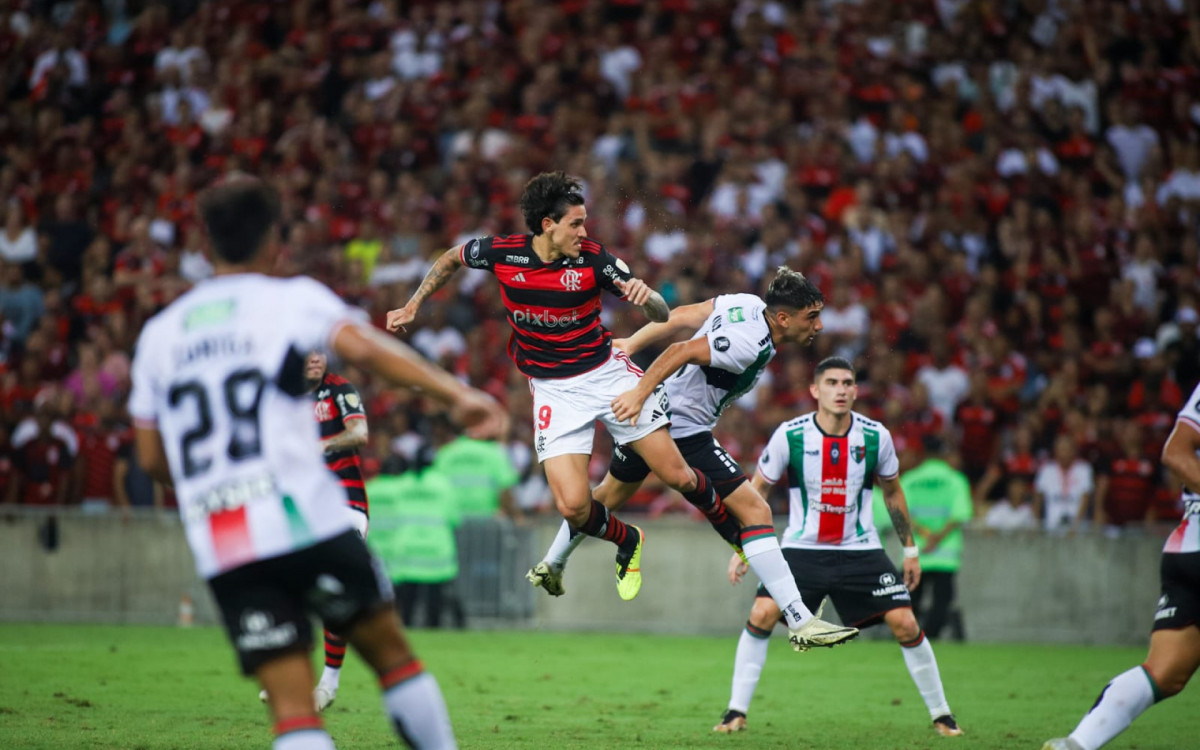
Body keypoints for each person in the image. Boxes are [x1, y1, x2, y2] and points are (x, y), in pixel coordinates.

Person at [130, 178, 507, 750]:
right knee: (392, 658)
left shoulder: (161, 335)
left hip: (228, 536)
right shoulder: (292, 300)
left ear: (208, 244)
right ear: (273, 240)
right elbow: (364, 346)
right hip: (303, 513)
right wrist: (456, 395)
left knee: (290, 708)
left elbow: (154, 459)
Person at [387, 172, 731, 604]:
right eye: (575, 223)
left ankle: (734, 532)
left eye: (585, 222)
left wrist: (648, 298)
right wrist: (414, 303)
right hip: (554, 390)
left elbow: (661, 316)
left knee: (677, 476)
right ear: (548, 224)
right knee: (572, 507)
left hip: (606, 374)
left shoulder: (593, 259)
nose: (584, 232)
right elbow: (451, 258)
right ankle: (628, 540)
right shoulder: (503, 252)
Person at [529, 268, 861, 651]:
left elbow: (684, 314)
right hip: (683, 427)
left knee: (603, 501)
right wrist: (638, 393)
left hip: (657, 414)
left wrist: (632, 344)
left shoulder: (749, 304)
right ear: (784, 319)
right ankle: (801, 619)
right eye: (812, 316)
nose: (819, 325)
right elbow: (680, 349)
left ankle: (553, 563)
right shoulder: (748, 343)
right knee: (755, 511)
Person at [712, 358, 962, 738]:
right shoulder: (789, 435)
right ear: (815, 390)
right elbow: (756, 491)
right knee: (762, 613)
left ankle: (943, 716)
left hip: (860, 550)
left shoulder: (876, 436)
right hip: (801, 549)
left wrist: (910, 550)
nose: (841, 389)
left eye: (847, 383)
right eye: (832, 382)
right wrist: (742, 546)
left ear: (856, 391)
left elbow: (893, 491)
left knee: (906, 622)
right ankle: (735, 712)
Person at [1043, 381, 1200, 750]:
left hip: (1186, 547)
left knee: (1164, 673)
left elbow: (1176, 453)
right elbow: (1175, 454)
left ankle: (1078, 744)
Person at [305, 351, 371, 710]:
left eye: (320, 352)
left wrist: (321, 445)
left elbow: (359, 432)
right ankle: (296, 673)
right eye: (307, 353)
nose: (316, 358)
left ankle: (328, 683)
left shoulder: (338, 390)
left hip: (347, 503)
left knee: (335, 584)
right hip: (303, 505)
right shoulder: (282, 398)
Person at [367, 449, 463, 629]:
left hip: (407, 548)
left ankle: (407, 632)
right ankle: (434, 632)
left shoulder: (401, 485)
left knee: (406, 602)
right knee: (435, 601)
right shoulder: (444, 484)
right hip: (436, 550)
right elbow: (454, 518)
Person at [904, 436, 973, 641]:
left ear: (922, 453)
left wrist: (926, 536)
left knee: (909, 599)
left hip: (917, 550)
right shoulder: (956, 479)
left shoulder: (909, 479)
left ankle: (910, 637)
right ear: (944, 454)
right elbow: (960, 514)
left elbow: (901, 513)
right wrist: (937, 538)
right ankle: (930, 637)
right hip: (945, 553)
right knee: (942, 600)